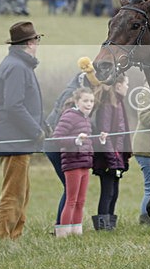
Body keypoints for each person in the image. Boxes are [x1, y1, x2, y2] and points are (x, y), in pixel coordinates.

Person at [0, 21, 47, 240]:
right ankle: (3, 238)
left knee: (22, 192)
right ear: (29, 43)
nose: (37, 43)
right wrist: (36, 131)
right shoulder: (16, 66)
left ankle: (15, 234)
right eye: (36, 39)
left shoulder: (19, 64)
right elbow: (13, 105)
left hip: (19, 139)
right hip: (14, 138)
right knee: (13, 193)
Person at [46, 57, 100, 226]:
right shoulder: (72, 98)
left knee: (74, 193)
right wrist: (74, 141)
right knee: (70, 192)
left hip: (73, 147)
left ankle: (69, 226)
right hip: (60, 146)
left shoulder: (82, 98)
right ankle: (61, 226)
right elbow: (60, 129)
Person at [52, 87, 104, 237]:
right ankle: (63, 234)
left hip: (85, 163)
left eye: (92, 101)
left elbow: (86, 141)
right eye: (85, 101)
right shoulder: (70, 116)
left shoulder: (86, 118)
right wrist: (75, 140)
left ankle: (76, 233)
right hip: (72, 162)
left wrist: (99, 140)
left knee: (81, 200)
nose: (89, 104)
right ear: (77, 101)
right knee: (71, 199)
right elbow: (56, 138)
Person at [91, 74, 131, 231]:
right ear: (118, 85)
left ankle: (110, 225)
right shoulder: (108, 105)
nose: (128, 87)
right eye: (126, 83)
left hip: (116, 156)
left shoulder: (119, 103)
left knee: (114, 191)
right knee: (107, 192)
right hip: (107, 157)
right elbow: (105, 134)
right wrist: (113, 160)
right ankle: (102, 226)